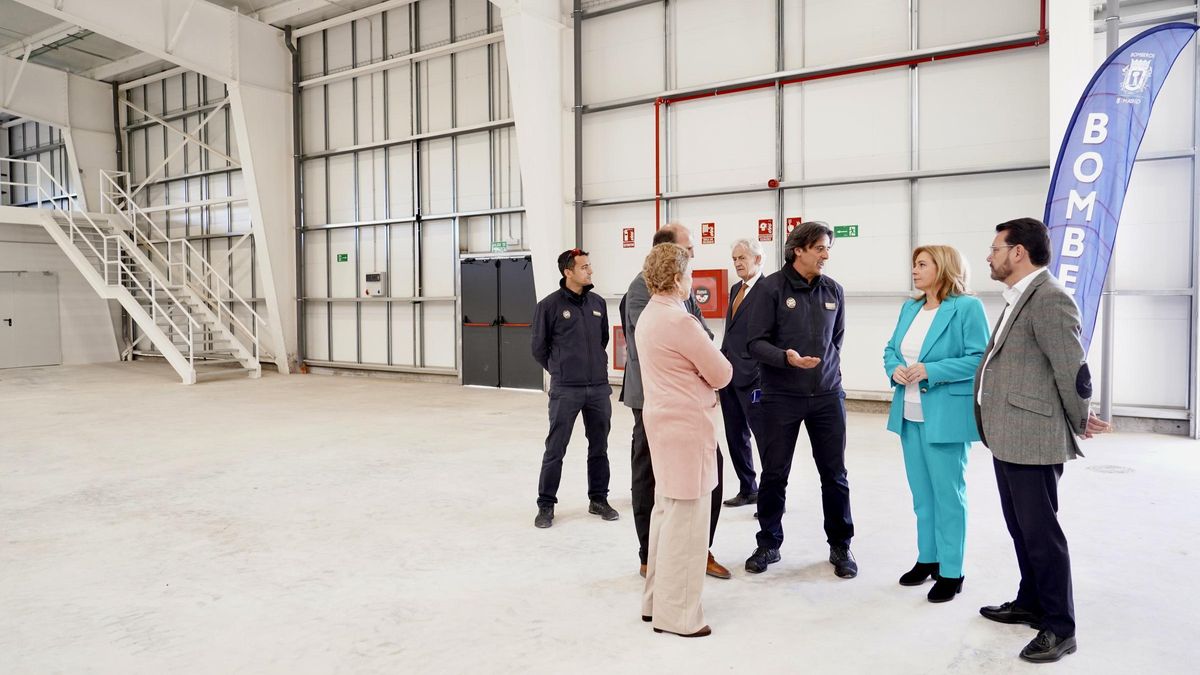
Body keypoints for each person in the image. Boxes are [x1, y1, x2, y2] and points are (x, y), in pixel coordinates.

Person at [974, 217, 1110, 663]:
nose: (989, 256)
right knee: (1021, 529)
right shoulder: (1019, 297)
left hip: (1032, 436)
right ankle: (1030, 600)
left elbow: (1072, 369)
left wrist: (1079, 418)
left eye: (996, 249)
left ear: (1018, 252)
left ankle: (1060, 626)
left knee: (1042, 534)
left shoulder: (1050, 299)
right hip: (1008, 434)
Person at [743, 220, 857, 579]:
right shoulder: (771, 290)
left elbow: (835, 342)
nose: (826, 255)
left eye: (828, 249)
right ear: (799, 250)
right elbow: (754, 343)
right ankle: (768, 543)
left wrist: (826, 376)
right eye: (820, 248)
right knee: (775, 474)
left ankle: (840, 545)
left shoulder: (834, 291)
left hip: (827, 397)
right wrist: (785, 358)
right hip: (781, 397)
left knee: (835, 475)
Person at [621, 224, 731, 580]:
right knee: (653, 479)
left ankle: (699, 548)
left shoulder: (678, 295)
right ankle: (649, 556)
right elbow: (672, 345)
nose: (694, 254)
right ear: (668, 255)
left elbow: (702, 333)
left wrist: (696, 344)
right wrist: (698, 350)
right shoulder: (642, 293)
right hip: (655, 400)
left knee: (706, 476)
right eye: (688, 249)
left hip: (687, 403)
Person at [883, 245, 989, 603]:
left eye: (922, 264)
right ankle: (927, 558)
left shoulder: (966, 308)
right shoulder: (910, 307)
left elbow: (979, 359)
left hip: (945, 416)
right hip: (909, 414)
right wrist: (893, 369)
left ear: (942, 268)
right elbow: (891, 350)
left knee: (948, 496)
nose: (914, 269)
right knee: (922, 495)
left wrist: (933, 370)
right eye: (914, 263)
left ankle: (952, 570)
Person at [637, 243, 733, 638]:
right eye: (689, 274)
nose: (692, 281)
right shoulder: (681, 321)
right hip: (687, 427)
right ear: (678, 279)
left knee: (667, 515)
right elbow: (722, 372)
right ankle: (678, 617)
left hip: (662, 423)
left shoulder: (649, 315)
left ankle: (655, 602)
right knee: (688, 524)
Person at [530, 248, 619, 529]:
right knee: (555, 448)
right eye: (584, 267)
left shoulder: (598, 303)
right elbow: (538, 349)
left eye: (589, 266)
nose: (590, 271)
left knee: (599, 447)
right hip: (565, 390)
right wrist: (560, 370)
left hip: (598, 389)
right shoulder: (549, 306)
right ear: (568, 272)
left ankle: (599, 499)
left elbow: (601, 340)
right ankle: (546, 505)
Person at [719, 238, 768, 507]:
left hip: (755, 378)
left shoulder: (768, 289)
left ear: (758, 259)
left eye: (742, 258)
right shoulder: (736, 289)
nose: (737, 263)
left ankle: (772, 496)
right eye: (735, 258)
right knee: (735, 435)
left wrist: (760, 372)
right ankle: (748, 488)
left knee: (764, 439)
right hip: (729, 375)